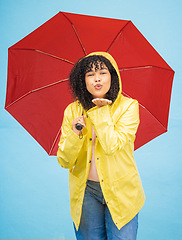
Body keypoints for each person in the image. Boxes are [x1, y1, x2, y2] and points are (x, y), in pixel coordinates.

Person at [57, 52, 145, 240]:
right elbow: (64, 161)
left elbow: (113, 146)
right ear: (83, 80)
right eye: (90, 74)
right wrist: (75, 134)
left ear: (113, 76)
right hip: (86, 192)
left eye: (102, 72)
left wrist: (101, 112)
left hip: (122, 191)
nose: (97, 78)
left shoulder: (129, 107)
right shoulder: (73, 110)